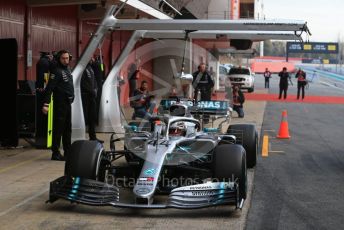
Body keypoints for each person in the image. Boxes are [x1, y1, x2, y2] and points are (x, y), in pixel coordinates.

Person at [42, 50, 74, 161]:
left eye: (67, 58)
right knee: (58, 129)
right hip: (60, 105)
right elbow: (49, 89)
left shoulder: (68, 70)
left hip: (67, 104)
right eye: (63, 58)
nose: (66, 60)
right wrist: (46, 104)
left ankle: (68, 152)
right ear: (59, 59)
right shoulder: (56, 71)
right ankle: (55, 153)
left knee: (67, 129)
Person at [81, 59, 103, 143]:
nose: (92, 59)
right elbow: (82, 83)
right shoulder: (83, 69)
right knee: (85, 117)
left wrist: (96, 89)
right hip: (85, 96)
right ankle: (82, 136)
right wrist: (91, 91)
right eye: (90, 57)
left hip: (92, 97)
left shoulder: (90, 68)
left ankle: (93, 137)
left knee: (92, 117)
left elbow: (95, 82)